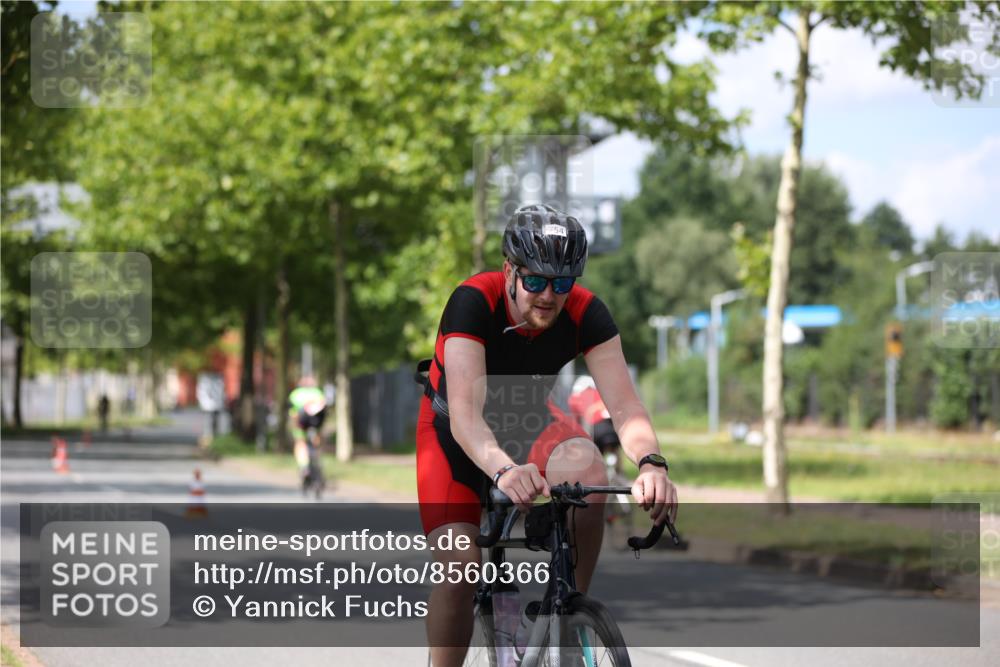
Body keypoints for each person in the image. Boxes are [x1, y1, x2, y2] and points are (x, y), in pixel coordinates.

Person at [416, 204, 678, 666]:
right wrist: (501, 469)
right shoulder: (473, 300)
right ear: (509, 272)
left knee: (588, 469)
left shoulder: (587, 312)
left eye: (562, 283)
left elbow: (625, 406)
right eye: (535, 280)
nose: (548, 296)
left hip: (528, 420)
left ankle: (569, 617)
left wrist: (652, 463)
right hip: (455, 434)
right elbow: (465, 416)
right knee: (460, 568)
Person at [288, 376, 327, 492]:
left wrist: (295, 427)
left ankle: (304, 467)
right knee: (316, 440)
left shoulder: (296, 394)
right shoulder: (318, 393)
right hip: (316, 422)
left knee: (300, 443)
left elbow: (293, 413)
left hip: (302, 422)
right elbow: (324, 410)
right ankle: (317, 457)